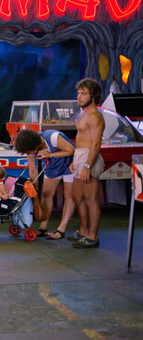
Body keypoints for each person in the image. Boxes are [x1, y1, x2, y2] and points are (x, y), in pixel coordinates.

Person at [14, 128, 76, 240]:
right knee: (47, 195)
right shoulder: (30, 145)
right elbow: (33, 169)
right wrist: (34, 190)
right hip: (51, 165)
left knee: (68, 195)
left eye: (29, 152)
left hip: (70, 163)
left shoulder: (52, 137)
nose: (28, 154)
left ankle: (61, 229)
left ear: (35, 146)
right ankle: (43, 228)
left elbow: (71, 150)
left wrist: (50, 154)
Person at [68, 78, 105, 248]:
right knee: (77, 197)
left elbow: (96, 144)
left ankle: (93, 236)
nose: (79, 96)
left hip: (90, 158)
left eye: (83, 93)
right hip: (80, 157)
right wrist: (75, 161)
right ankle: (83, 231)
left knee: (91, 199)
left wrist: (87, 166)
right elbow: (81, 139)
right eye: (78, 93)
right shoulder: (85, 114)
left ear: (93, 96)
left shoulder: (95, 116)